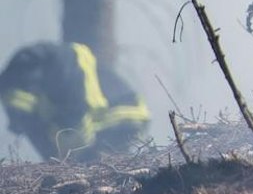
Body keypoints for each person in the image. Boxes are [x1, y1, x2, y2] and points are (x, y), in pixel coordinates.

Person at [0, 42, 149, 162]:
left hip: (121, 115)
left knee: (100, 169)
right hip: (118, 116)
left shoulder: (60, 73)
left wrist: (64, 162)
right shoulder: (33, 78)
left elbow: (75, 126)